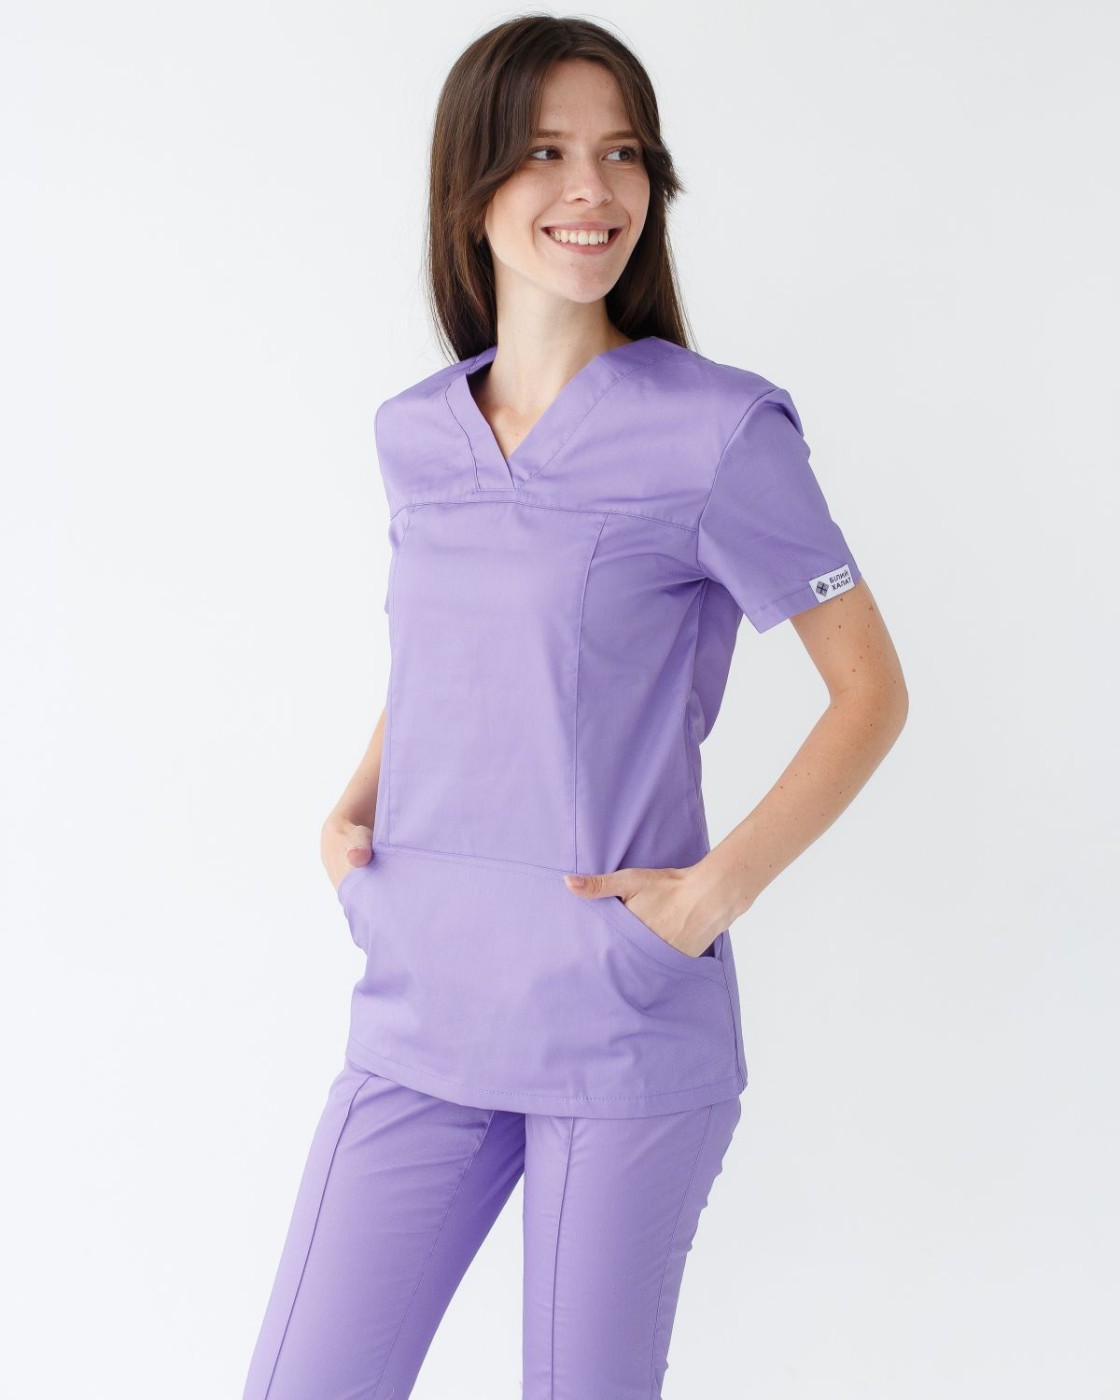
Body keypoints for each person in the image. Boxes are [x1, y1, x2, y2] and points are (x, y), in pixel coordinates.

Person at [241, 15, 908, 1400]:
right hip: (423, 991)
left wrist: (707, 899)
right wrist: (352, 810)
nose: (592, 190)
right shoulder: (414, 433)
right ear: (470, 185)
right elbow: (449, 663)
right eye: (545, 153)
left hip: (616, 1013)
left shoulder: (720, 432)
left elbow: (870, 691)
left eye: (622, 154)